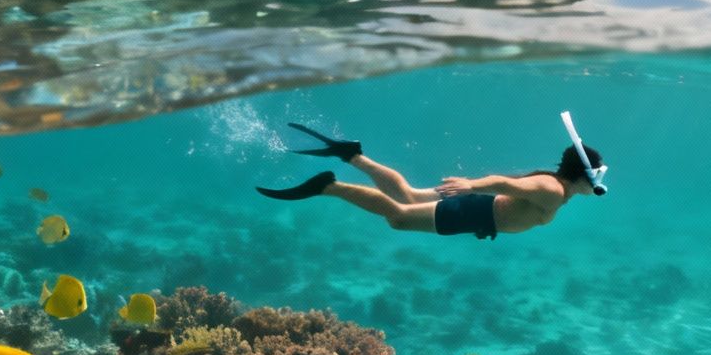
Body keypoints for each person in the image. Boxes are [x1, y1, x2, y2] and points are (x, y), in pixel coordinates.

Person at [257, 124, 604, 240]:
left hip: (478, 211)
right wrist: (471, 185)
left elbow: (506, 186)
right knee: (399, 218)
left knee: (407, 195)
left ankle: (351, 155)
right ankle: (328, 186)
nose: (601, 182)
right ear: (585, 174)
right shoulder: (552, 190)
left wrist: (473, 188)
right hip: (475, 211)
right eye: (599, 174)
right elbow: (504, 183)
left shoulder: (557, 189)